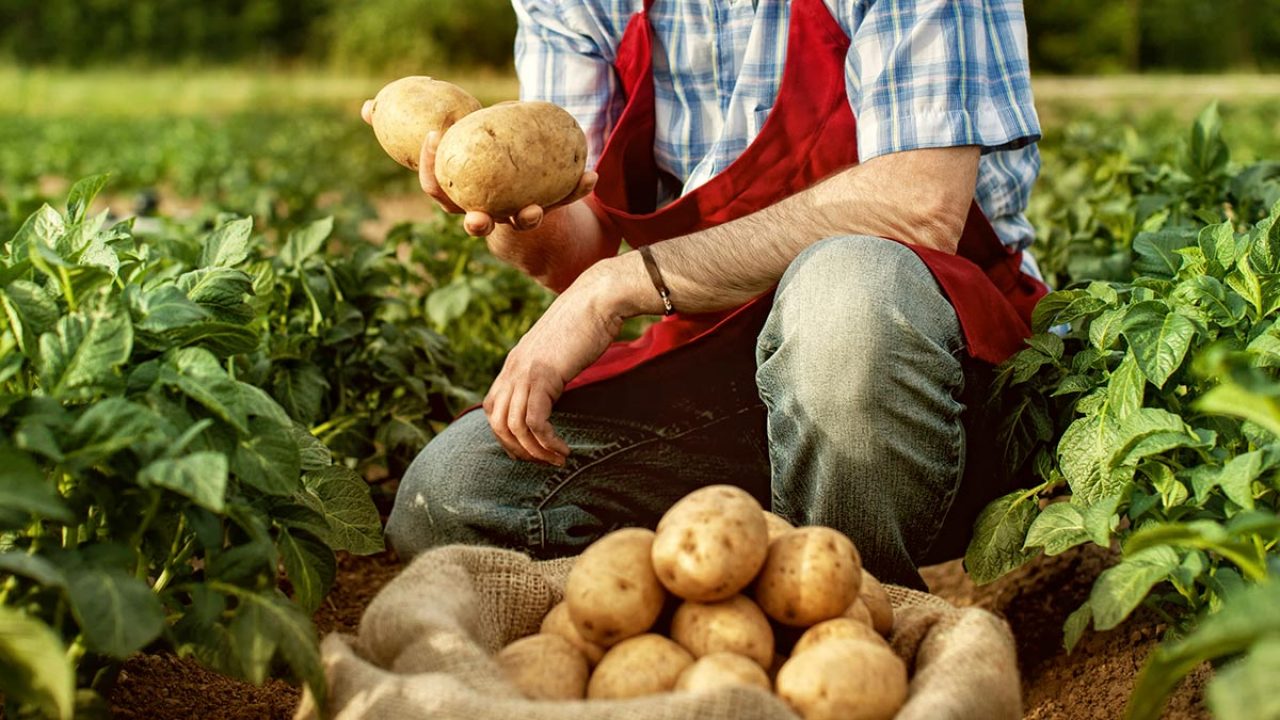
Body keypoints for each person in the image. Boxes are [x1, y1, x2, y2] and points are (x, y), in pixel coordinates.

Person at [376, 0, 1047, 589]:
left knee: (846, 292)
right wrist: (502, 198)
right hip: (725, 367)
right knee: (457, 497)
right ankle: (712, 615)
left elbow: (916, 204)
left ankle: (848, 611)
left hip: (934, 376)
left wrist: (621, 284)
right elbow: (571, 247)